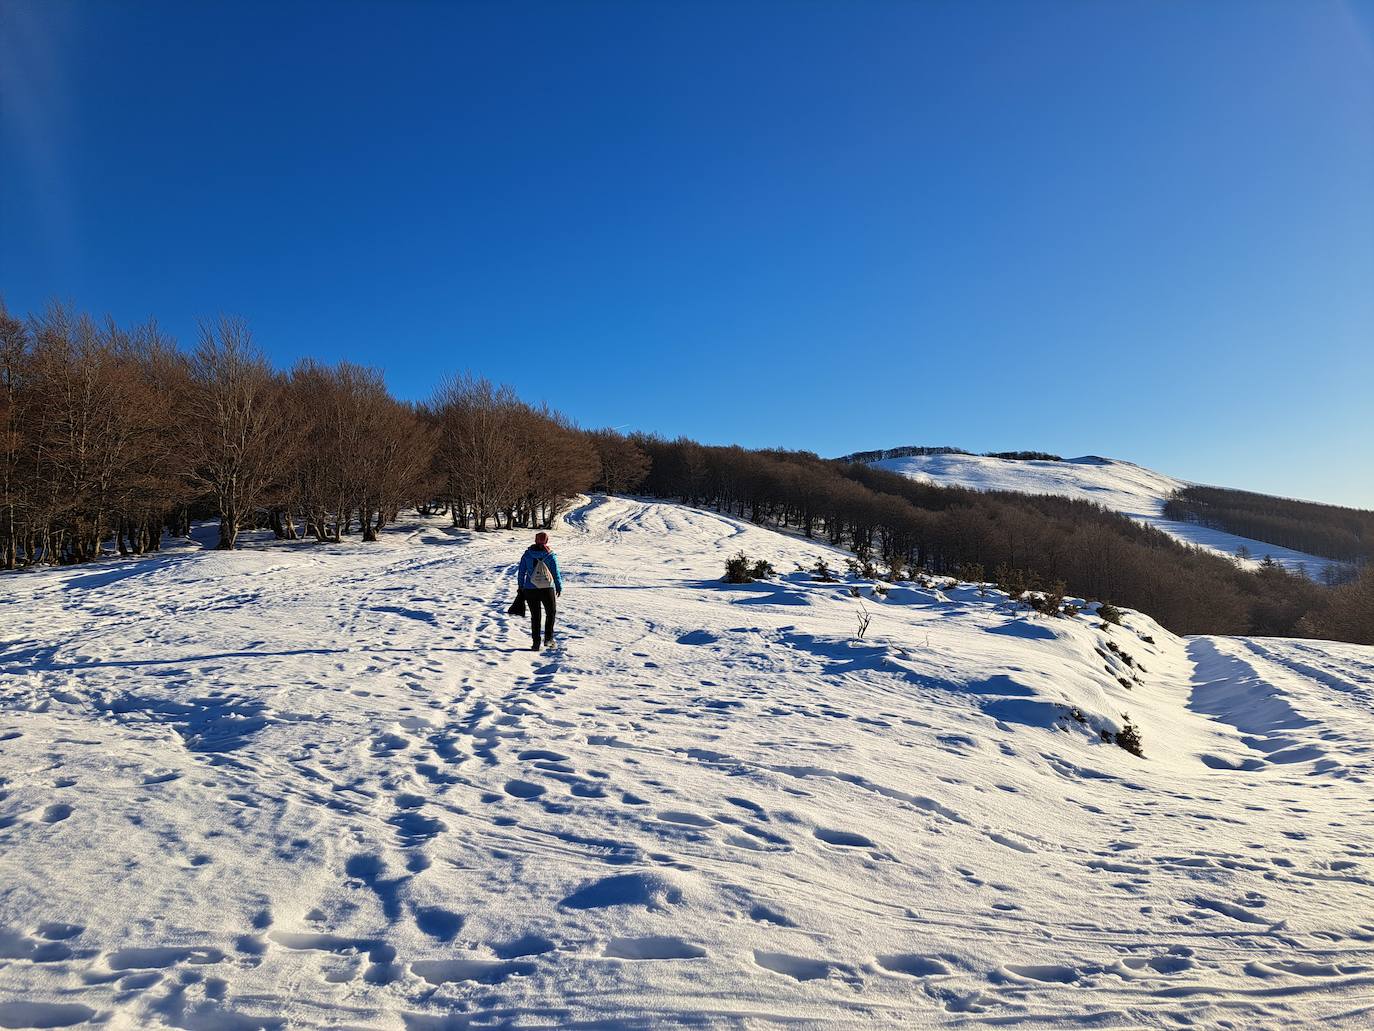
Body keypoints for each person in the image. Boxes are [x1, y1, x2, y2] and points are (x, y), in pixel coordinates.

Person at [516, 531, 562, 651]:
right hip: (547, 588)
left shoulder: (527, 555)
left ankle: (536, 643)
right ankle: (548, 639)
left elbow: (521, 572)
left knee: (535, 616)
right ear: (546, 541)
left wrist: (521, 586)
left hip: (530, 589)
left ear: (535, 540)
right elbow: (555, 572)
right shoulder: (550, 555)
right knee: (551, 613)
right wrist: (558, 586)